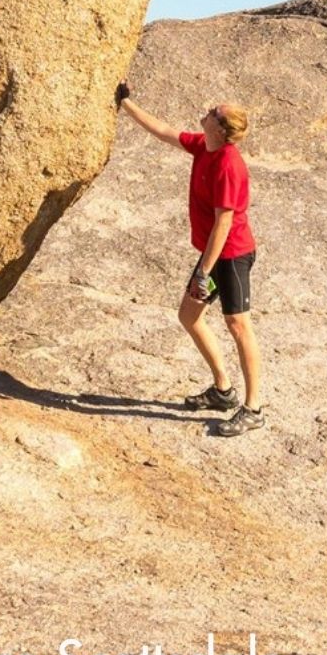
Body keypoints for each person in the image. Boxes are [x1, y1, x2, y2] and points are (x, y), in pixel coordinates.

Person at [115, 82, 264, 437]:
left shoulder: (229, 164)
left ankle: (254, 408)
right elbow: (164, 131)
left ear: (221, 129)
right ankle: (224, 391)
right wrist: (126, 103)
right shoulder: (204, 146)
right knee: (189, 316)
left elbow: (224, 222)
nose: (210, 109)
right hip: (213, 256)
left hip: (232, 256)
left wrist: (205, 272)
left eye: (215, 112)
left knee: (238, 326)